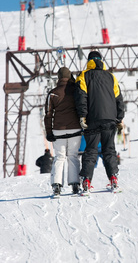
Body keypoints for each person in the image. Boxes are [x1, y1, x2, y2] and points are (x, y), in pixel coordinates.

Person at [74, 50, 125, 192]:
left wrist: (82, 115)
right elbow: (118, 98)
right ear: (101, 60)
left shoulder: (83, 76)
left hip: (92, 119)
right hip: (110, 119)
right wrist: (119, 117)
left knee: (90, 150)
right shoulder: (111, 77)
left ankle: (86, 182)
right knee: (109, 150)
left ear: (89, 61)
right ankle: (113, 178)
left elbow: (81, 97)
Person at [44, 67, 82, 196]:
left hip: (58, 130)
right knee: (73, 156)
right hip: (75, 129)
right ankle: (75, 184)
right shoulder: (76, 90)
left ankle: (56, 186)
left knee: (59, 157)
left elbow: (48, 114)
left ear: (59, 77)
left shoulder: (53, 93)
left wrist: (49, 132)